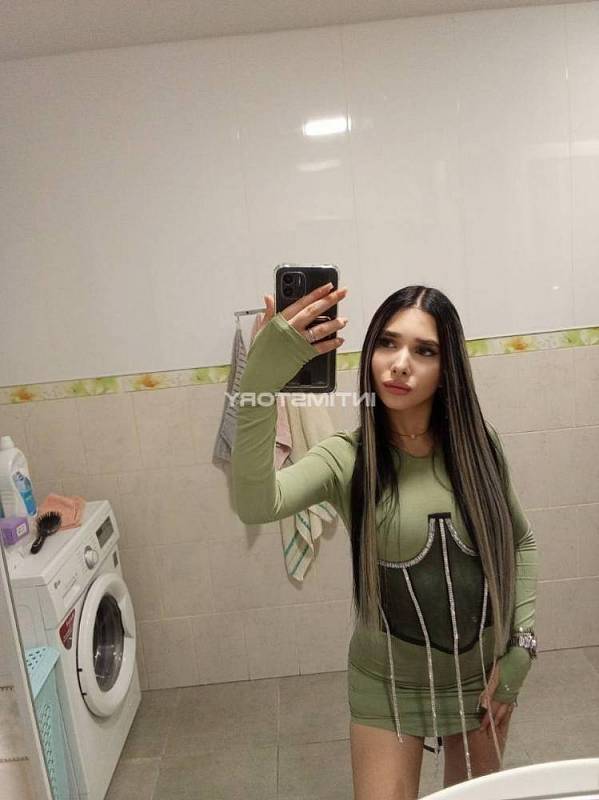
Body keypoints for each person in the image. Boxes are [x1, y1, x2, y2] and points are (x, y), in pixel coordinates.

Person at [231, 282, 538, 800]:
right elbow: (255, 505)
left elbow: (521, 542)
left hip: (481, 678)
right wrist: (259, 379)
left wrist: (521, 650)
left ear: (448, 368)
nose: (400, 364)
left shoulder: (481, 448)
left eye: (424, 351)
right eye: (388, 343)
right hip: (387, 685)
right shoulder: (346, 458)